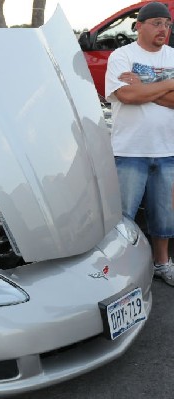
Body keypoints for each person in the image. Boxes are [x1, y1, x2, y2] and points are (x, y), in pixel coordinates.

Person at [105, 1, 174, 286]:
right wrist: (167, 85)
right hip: (130, 149)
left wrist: (142, 86)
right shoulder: (121, 56)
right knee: (122, 217)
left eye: (167, 24)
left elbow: (136, 93)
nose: (164, 29)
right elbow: (127, 96)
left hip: (168, 149)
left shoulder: (173, 55)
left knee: (165, 215)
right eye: (156, 23)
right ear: (139, 26)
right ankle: (120, 271)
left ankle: (162, 263)